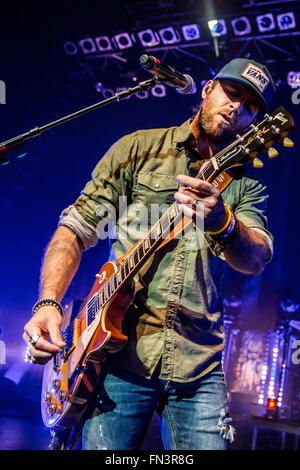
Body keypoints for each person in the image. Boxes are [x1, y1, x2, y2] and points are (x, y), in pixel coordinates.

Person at [23, 58, 275, 450]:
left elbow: (256, 258)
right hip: (117, 358)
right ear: (208, 89)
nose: (237, 107)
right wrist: (48, 302)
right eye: (232, 93)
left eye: (251, 106)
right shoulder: (138, 148)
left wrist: (223, 222)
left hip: (199, 362)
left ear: (256, 124)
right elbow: (75, 227)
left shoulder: (247, 185)